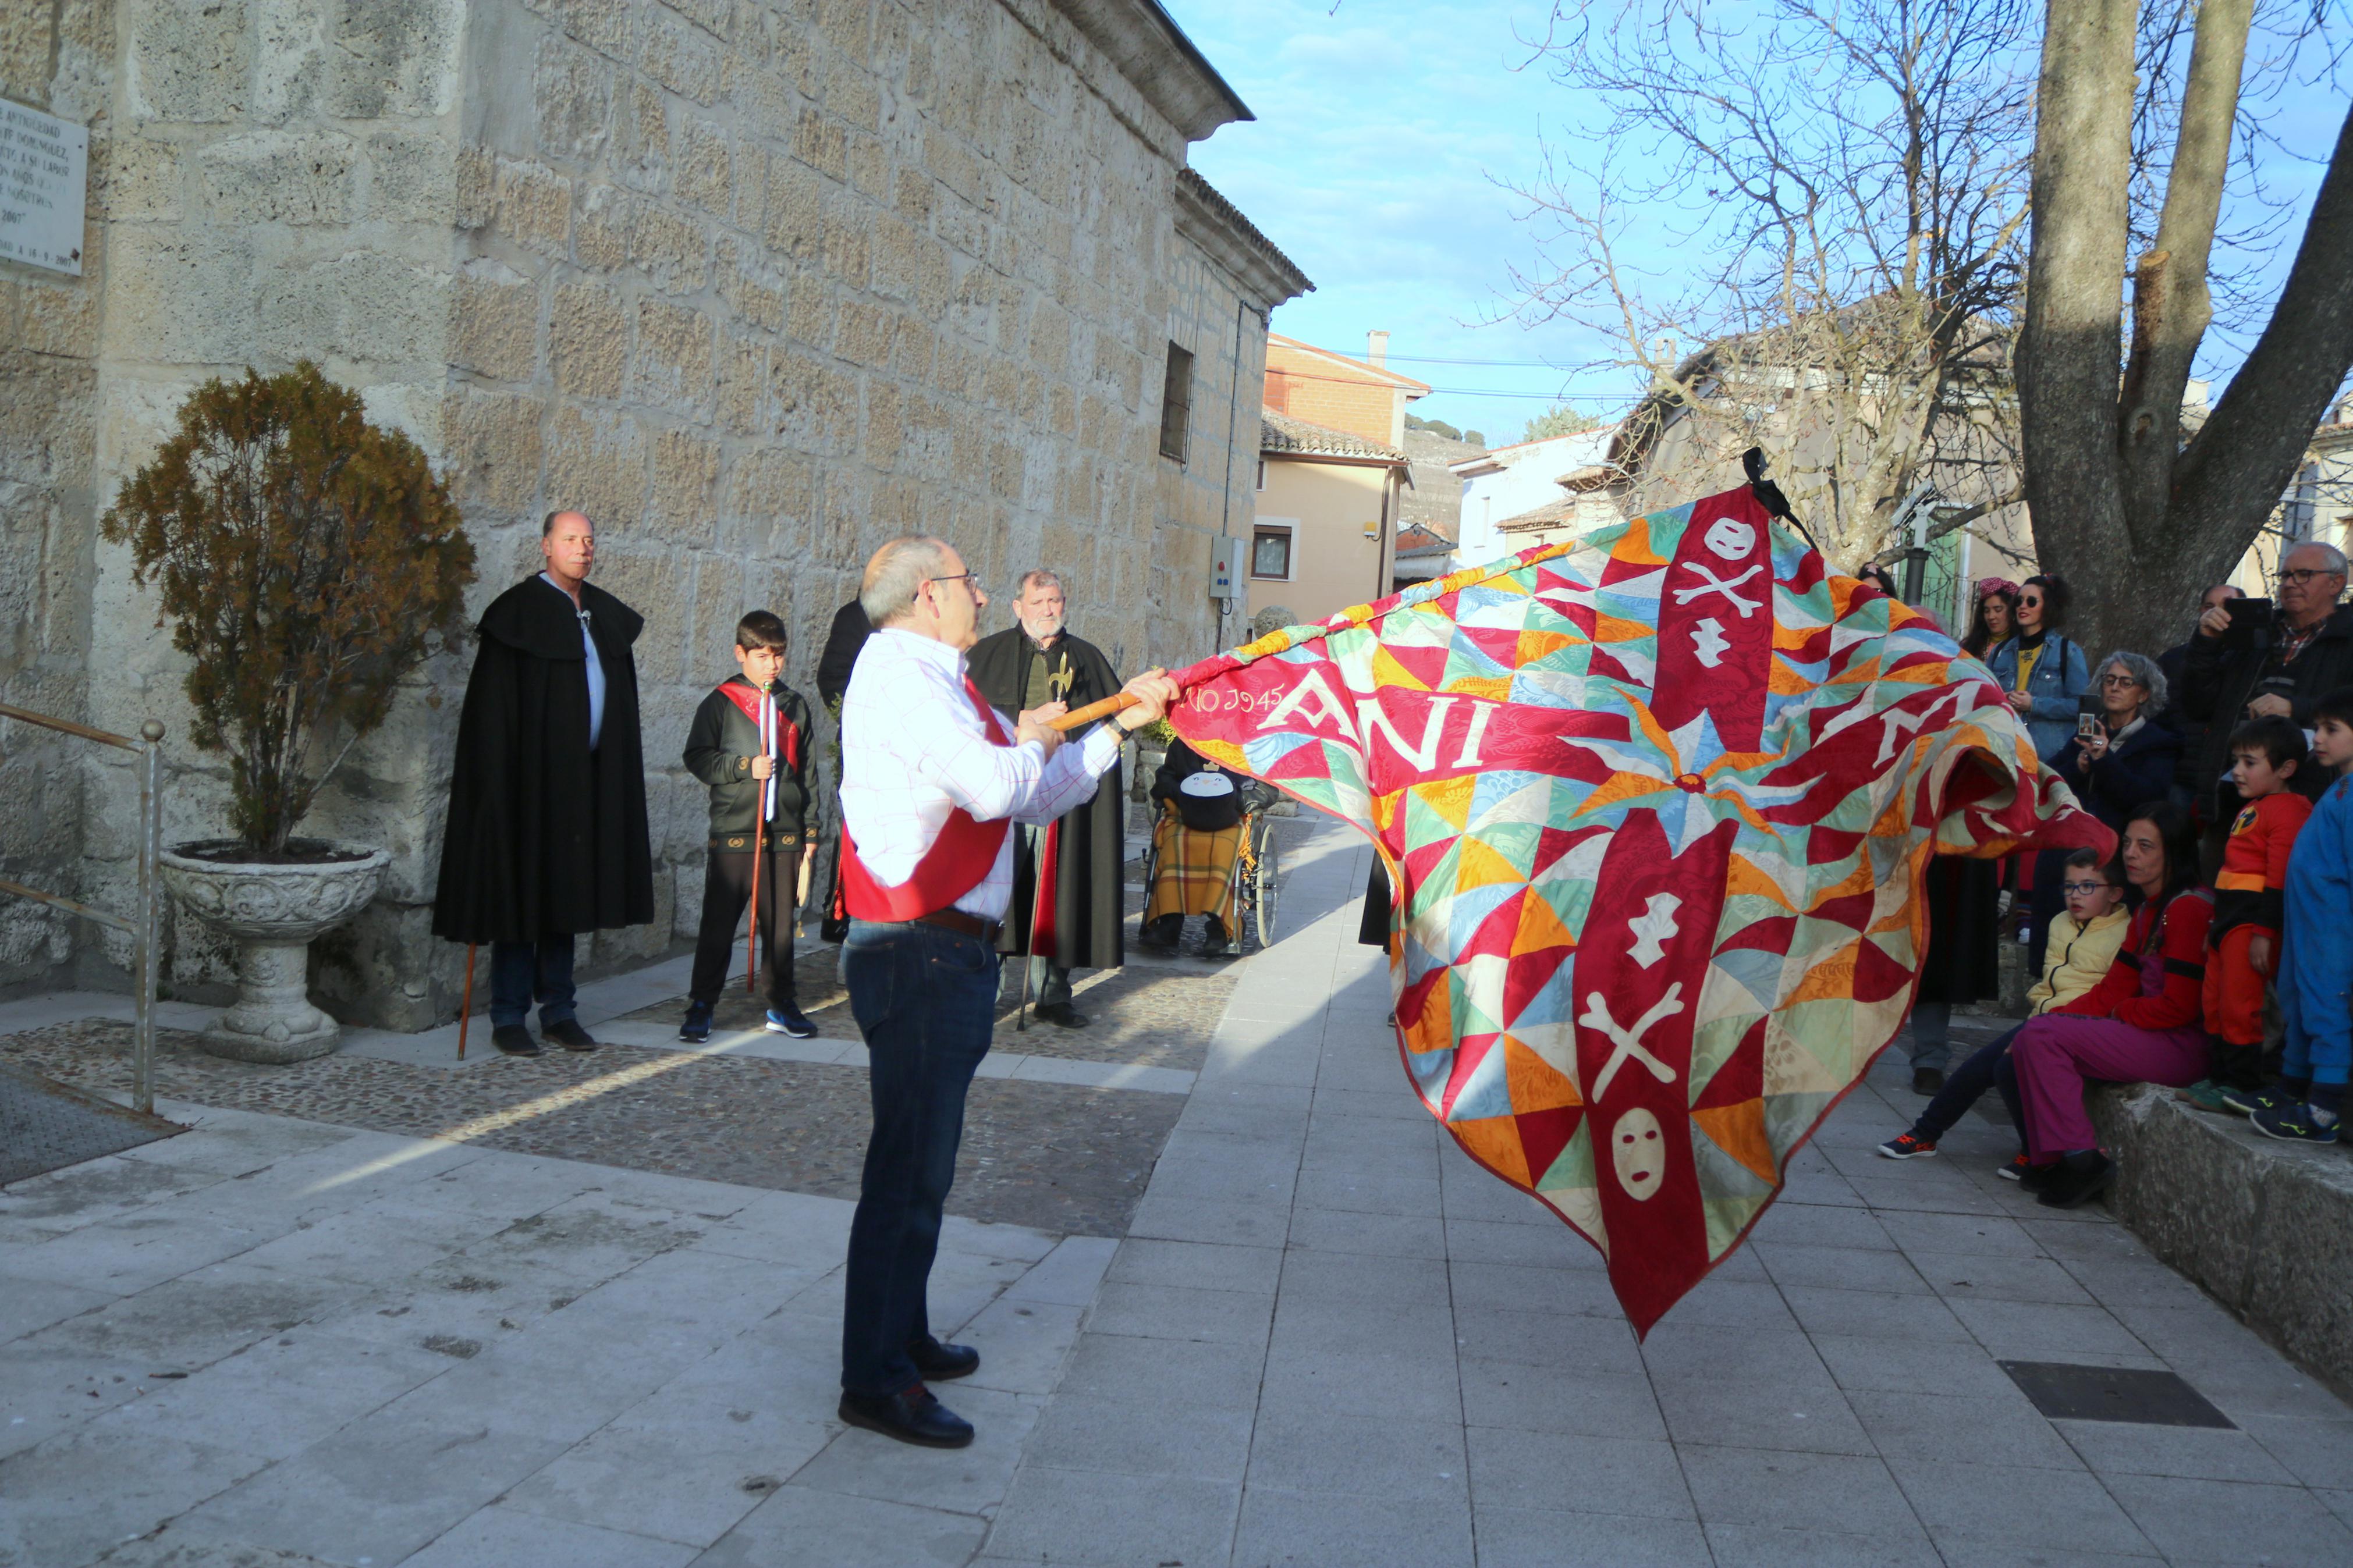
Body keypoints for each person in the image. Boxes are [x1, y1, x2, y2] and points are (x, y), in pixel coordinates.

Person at [833, 535, 1176, 1448]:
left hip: (949, 948)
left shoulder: (942, 678)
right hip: (915, 946)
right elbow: (993, 786)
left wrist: (1110, 732)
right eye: (965, 581)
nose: (980, 594)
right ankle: (874, 1377)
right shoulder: (901, 679)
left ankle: (900, 1333)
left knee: (925, 1170)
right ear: (919, 596)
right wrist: (1026, 739)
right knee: (905, 1170)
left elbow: (1031, 795)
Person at [431, 510, 653, 1058]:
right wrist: (493, 787)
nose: (583, 548)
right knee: (521, 895)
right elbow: (492, 713)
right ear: (546, 546)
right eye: (571, 539)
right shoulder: (517, 615)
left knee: (568, 894)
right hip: (529, 786)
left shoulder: (601, 613)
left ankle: (559, 1010)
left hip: (587, 782)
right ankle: (508, 1015)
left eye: (589, 539)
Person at [2010, 803, 2215, 1208]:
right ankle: (2049, 1158)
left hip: (2181, 1046)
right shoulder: (2147, 910)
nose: (2130, 854)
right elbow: (2114, 987)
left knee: (2041, 1037)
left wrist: (2121, 1013)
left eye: (2144, 846)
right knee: (2027, 1037)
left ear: (2172, 851)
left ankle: (2082, 1160)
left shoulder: (2188, 907)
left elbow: (2179, 1007)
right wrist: (2054, 1017)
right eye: (2126, 844)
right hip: (2149, 1032)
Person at [1878, 848, 2130, 1166]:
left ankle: (2032, 1151)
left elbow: (2108, 997)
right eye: (2069, 886)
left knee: (2001, 1067)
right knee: (1983, 1066)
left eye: (2088, 886)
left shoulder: (2125, 933)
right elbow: (2048, 988)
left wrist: (2039, 1031)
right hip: (2046, 1023)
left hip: (2079, 1029)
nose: (2075, 895)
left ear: (2116, 894)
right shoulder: (2060, 923)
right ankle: (1925, 1134)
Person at [968, 571, 1128, 1026]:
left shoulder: (1087, 658)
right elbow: (972, 717)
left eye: (1054, 600)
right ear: (1018, 606)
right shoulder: (987, 655)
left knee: (1059, 891)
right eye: (1037, 602)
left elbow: (1110, 723)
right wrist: (1027, 718)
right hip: (1006, 790)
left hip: (1065, 794)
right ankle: (985, 990)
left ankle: (1053, 993)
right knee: (1000, 890)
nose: (1047, 609)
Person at [678, 611, 822, 1045]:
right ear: (741, 653)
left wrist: (810, 831)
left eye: (778, 655)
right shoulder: (720, 702)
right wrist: (744, 767)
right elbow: (697, 756)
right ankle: (701, 1005)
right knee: (718, 925)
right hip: (735, 830)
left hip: (784, 834)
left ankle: (781, 1003)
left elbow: (810, 773)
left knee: (780, 926)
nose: (771, 665)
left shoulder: (794, 704)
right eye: (762, 655)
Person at [2177, 716, 2310, 1112]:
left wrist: (2264, 933)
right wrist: (2215, 926)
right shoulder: (2254, 806)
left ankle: (2242, 1082)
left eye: (2249, 762)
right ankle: (2218, 1076)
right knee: (2215, 1000)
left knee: (2240, 1003)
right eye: (2236, 760)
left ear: (2285, 768)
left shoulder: (2289, 809)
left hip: (2252, 922)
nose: (2237, 770)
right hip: (2227, 922)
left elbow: (2278, 877)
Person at [2241, 687, 2353, 1143]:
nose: (2318, 738)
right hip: (2307, 924)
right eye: (2319, 728)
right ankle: (2289, 1090)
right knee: (2298, 1002)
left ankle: (2323, 1112)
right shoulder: (2338, 786)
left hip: (2333, 930)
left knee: (2328, 1008)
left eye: (2331, 730)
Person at [2184, 542, 2353, 808]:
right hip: (2232, 793)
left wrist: (2296, 708)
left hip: (2311, 799)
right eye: (2285, 575)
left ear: (2336, 583)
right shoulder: (2254, 632)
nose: (2290, 584)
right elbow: (2198, 706)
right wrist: (2205, 645)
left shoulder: (2348, 639)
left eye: (2304, 574)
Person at [1987, 574, 2092, 975]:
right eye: (2019, 600)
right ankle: (1993, 909)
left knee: (2037, 834)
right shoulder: (2001, 653)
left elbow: (2084, 708)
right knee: (1999, 828)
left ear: (2047, 606)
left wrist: (2037, 704)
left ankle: (2028, 915)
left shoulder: (2066, 652)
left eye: (2030, 600)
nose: (2021, 607)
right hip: (2005, 755)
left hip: (2047, 758)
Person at [1139, 737, 1249, 957]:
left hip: (1231, 817)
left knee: (1224, 847)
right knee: (1174, 842)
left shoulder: (1246, 742)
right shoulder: (1183, 743)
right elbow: (1165, 778)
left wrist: (1231, 797)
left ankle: (1220, 926)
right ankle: (1169, 923)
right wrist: (1188, 792)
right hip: (1185, 813)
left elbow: (1264, 787)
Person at [2056, 652, 2182, 833]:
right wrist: (2078, 767)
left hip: (2120, 841)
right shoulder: (2087, 732)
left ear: (2143, 695)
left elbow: (2147, 800)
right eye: (2110, 680)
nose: (2115, 688)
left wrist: (2104, 759)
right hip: (2073, 834)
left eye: (2126, 683)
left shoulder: (2159, 743)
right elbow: (2050, 777)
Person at [2158, 584, 2237, 815]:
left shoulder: (2250, 660)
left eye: (2226, 606)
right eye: (2209, 606)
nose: (2216, 613)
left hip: (2228, 775)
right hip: (2181, 771)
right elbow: (2160, 713)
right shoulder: (2174, 659)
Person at [1960, 577, 2019, 660]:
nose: (1991, 616)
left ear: (2012, 611)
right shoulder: (1969, 647)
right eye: (1987, 611)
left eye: (1998, 610)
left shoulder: (2022, 647)